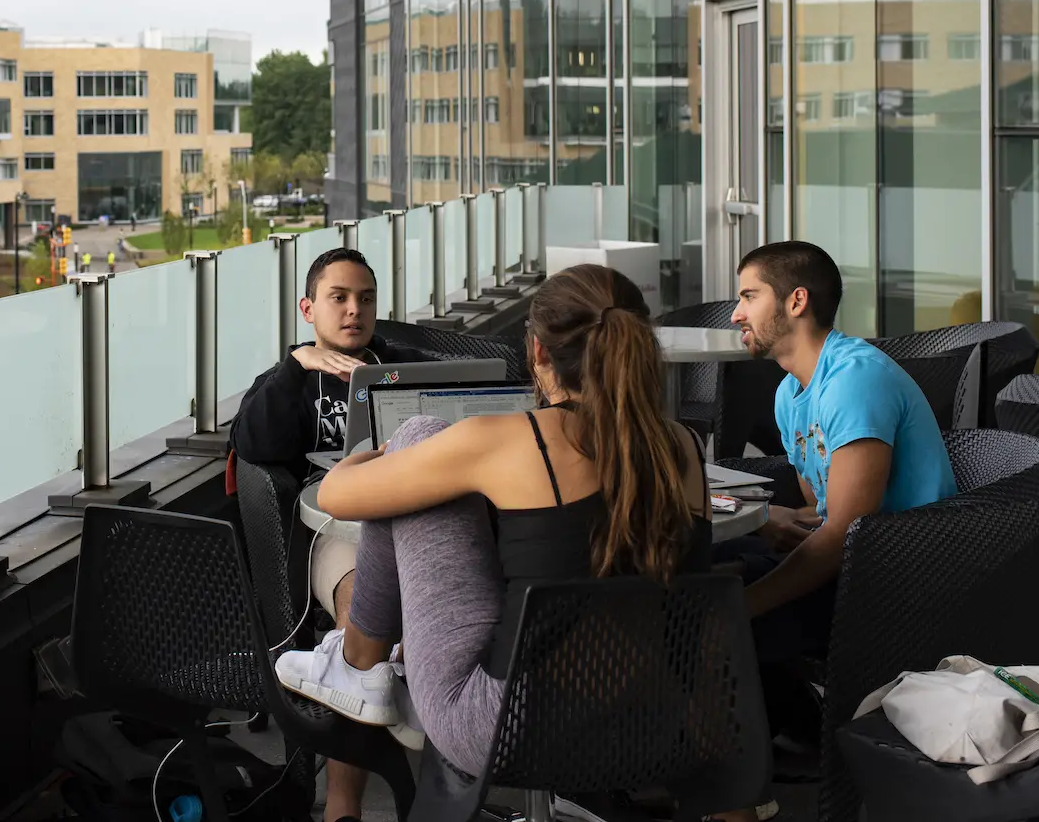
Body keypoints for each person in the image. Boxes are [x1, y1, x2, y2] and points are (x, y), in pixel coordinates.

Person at [273, 265, 711, 798]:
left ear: (539, 354)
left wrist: (361, 462)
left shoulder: (507, 439)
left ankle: (357, 663)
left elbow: (337, 497)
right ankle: (359, 666)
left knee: (417, 434)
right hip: (658, 719)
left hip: (504, 728)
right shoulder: (683, 447)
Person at [713, 241, 956, 819]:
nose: (735, 313)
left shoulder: (854, 381)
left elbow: (850, 528)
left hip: (898, 584)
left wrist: (743, 606)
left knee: (712, 612)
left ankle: (738, 787)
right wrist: (770, 522)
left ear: (795, 301)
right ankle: (793, 737)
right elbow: (820, 508)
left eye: (749, 296)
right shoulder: (790, 391)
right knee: (714, 571)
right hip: (858, 564)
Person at [230, 246, 425, 822]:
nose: (353, 310)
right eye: (338, 298)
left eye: (365, 298)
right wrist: (299, 367)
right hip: (334, 527)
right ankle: (344, 805)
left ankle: (437, 746)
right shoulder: (289, 380)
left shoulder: (398, 367)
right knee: (361, 609)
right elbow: (254, 445)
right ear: (308, 308)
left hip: (418, 514)